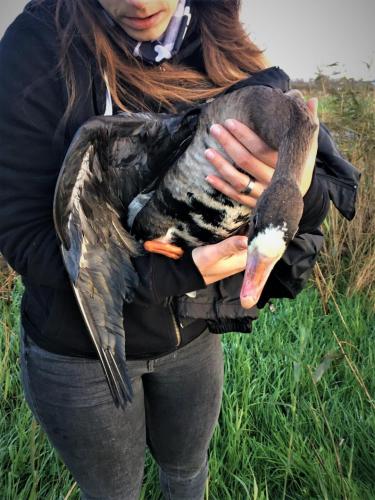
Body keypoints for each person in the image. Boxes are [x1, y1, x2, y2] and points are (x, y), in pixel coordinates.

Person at [0, 0, 359, 498]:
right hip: (85, 348)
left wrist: (285, 186)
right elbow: (25, 239)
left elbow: (326, 202)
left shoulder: (232, 53)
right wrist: (184, 272)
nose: (141, 2)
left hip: (189, 342)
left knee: (189, 473)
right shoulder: (37, 47)